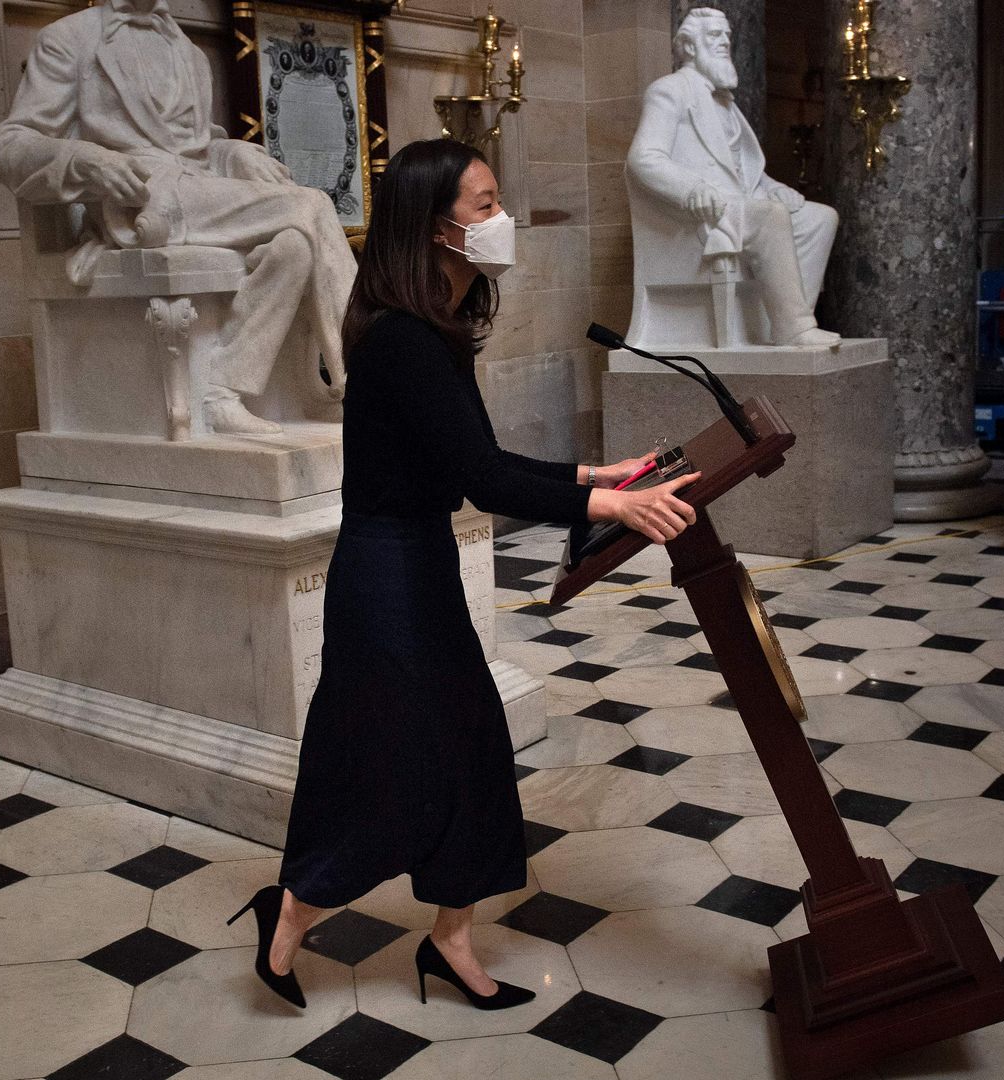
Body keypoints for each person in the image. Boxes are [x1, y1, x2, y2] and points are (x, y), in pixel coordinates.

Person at [224, 138, 703, 1011]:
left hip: (420, 566)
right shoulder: (401, 340)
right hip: (385, 579)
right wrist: (613, 507)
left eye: (496, 201)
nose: (500, 219)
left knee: (473, 751)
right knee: (391, 763)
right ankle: (290, 912)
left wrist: (592, 475)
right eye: (484, 206)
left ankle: (449, 938)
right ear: (434, 228)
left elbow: (475, 456)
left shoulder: (435, 331)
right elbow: (484, 480)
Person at [0, 0, 357, 435]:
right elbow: (10, 147)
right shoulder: (69, 39)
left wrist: (233, 152)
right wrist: (87, 160)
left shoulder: (188, 51)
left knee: (294, 247)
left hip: (194, 194)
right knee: (311, 205)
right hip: (138, 203)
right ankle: (366, 380)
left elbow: (197, 149)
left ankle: (223, 391)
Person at [627, 6, 839, 347]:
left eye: (727, 34)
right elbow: (643, 158)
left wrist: (775, 187)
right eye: (714, 35)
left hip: (741, 206)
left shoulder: (726, 103)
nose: (725, 41)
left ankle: (778, 321)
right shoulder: (669, 90)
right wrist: (691, 188)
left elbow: (742, 169)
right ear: (690, 46)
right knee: (769, 217)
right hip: (703, 214)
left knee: (821, 218)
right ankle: (796, 327)